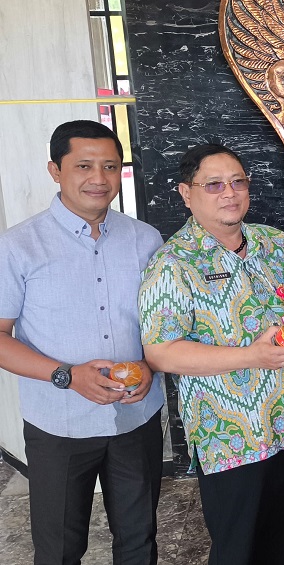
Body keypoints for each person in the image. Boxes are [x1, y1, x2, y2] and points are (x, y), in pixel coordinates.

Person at [139, 143, 284, 565]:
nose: (229, 192)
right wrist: (251, 356)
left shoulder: (271, 241)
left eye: (237, 181)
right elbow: (161, 353)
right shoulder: (173, 264)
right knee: (238, 550)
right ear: (186, 193)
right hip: (235, 436)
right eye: (213, 185)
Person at [0, 120, 164, 564]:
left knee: (139, 540)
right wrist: (66, 375)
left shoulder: (146, 241)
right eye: (84, 166)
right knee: (58, 548)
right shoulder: (17, 246)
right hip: (60, 425)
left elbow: (165, 325)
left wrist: (154, 365)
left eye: (110, 166)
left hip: (136, 417)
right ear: (55, 170)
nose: (99, 178)